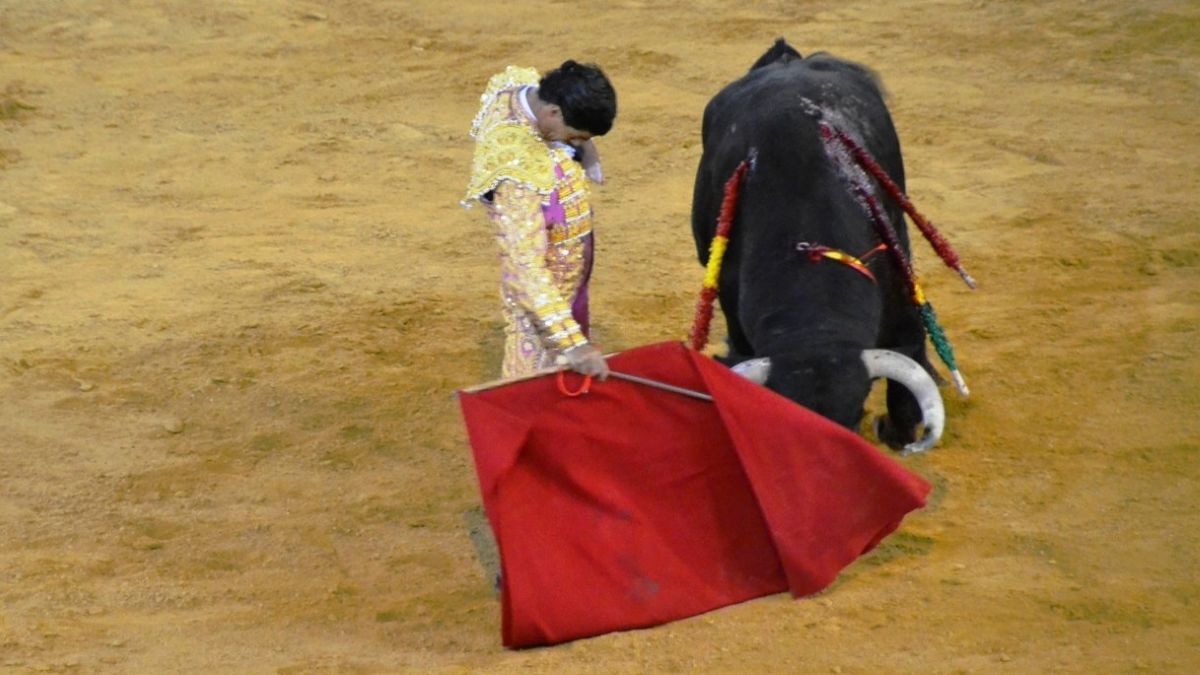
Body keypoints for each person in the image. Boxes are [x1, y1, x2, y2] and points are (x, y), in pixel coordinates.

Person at [463, 60, 616, 381]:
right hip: (546, 290)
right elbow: (524, 270)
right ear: (553, 113)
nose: (576, 144)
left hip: (568, 266)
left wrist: (585, 145)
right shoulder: (515, 174)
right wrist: (573, 345)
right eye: (575, 136)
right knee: (531, 381)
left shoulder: (530, 90)